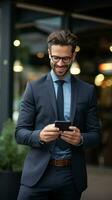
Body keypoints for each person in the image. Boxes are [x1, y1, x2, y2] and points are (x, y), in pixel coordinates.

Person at [15, 29, 101, 200]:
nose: (60, 63)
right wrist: (39, 135)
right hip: (37, 176)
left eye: (66, 58)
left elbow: (96, 135)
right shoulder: (33, 88)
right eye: (56, 58)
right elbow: (20, 133)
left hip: (70, 176)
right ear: (49, 54)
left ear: (73, 56)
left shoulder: (87, 91)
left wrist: (81, 139)